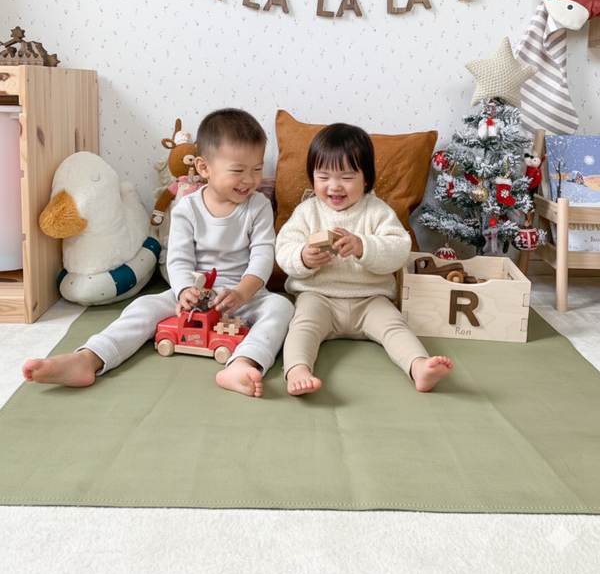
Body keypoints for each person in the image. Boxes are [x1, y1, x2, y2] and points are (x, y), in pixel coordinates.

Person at [23, 109, 294, 398]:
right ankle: (90, 357)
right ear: (204, 167)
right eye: (238, 170)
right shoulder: (187, 208)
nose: (250, 180)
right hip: (195, 293)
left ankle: (243, 363)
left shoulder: (258, 206)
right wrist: (183, 291)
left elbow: (263, 256)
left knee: (282, 309)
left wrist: (243, 292)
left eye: (257, 169)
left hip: (244, 295)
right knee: (142, 308)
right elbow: (178, 258)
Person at [276, 122, 453, 396]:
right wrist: (303, 257)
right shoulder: (306, 211)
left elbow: (398, 249)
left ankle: (419, 367)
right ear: (312, 177)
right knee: (302, 325)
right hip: (318, 296)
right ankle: (297, 369)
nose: (334, 186)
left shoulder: (377, 211)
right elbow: (284, 248)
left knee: (395, 326)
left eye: (346, 177)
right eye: (323, 177)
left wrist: (363, 247)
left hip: (370, 299)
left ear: (366, 179)